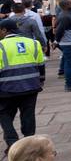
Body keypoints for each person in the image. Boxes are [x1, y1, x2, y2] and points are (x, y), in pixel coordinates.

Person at [0, 16, 46, 150]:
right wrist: (41, 80)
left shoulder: (1, 46)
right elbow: (40, 65)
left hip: (6, 89)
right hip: (31, 86)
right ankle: (29, 143)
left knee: (4, 114)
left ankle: (13, 144)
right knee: (28, 115)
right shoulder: (33, 43)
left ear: (4, 30)